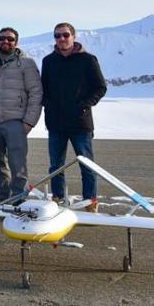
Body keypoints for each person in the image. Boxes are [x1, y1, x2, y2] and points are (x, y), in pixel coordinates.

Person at [41, 22, 106, 212]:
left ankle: (90, 201)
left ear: (74, 36)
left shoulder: (88, 60)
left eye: (65, 35)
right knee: (56, 165)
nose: (61, 39)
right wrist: (48, 104)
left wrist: (85, 105)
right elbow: (43, 88)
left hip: (80, 122)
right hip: (56, 122)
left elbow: (100, 87)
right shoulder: (48, 61)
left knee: (86, 163)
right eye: (57, 36)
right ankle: (58, 198)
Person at [0, 27, 42, 204]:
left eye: (10, 39)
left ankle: (18, 200)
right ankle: (3, 198)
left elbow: (36, 93)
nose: (6, 42)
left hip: (16, 121)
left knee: (18, 164)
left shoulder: (27, 64)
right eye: (2, 38)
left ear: (16, 42)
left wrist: (29, 121)